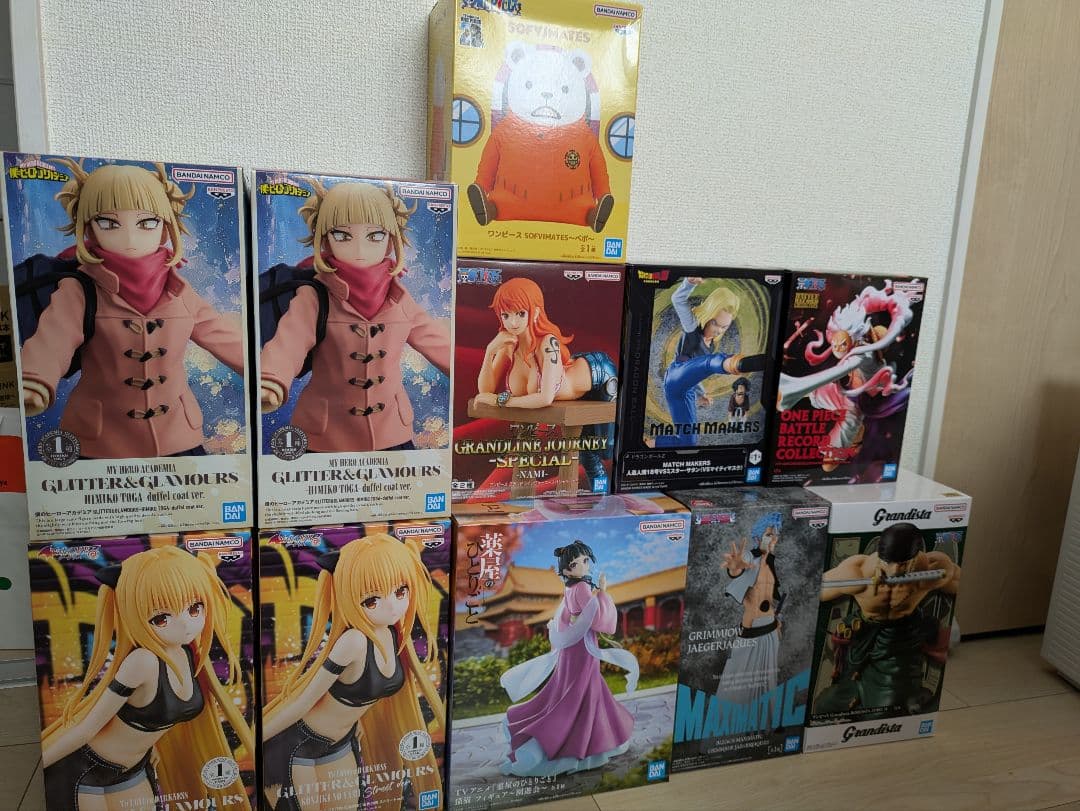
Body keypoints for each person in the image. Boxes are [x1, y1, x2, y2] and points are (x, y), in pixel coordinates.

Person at [18, 159, 245, 459]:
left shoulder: (179, 290)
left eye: (147, 222)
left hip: (178, 435)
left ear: (165, 229)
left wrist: (263, 373)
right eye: (108, 223)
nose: (129, 238)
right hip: (101, 441)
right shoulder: (79, 288)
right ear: (89, 228)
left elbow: (221, 335)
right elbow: (53, 339)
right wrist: (35, 379)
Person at [37, 545, 253, 810]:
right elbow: (87, 729)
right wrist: (35, 766)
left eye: (195, 608)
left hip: (134, 769)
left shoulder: (189, 654)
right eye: (161, 618)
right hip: (85, 767)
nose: (185, 624)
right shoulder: (143, 661)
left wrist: (152, 749)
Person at [260, 180, 450, 453]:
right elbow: (289, 342)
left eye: (375, 236)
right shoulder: (314, 295)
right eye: (342, 236)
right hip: (326, 435)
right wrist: (271, 379)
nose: (360, 249)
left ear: (391, 241)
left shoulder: (399, 297)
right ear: (325, 239)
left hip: (391, 431)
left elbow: (435, 342)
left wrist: (473, 377)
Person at [261, 534, 444, 811]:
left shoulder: (395, 635)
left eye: (400, 592)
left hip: (340, 742)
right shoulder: (354, 641)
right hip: (297, 742)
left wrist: (357, 723)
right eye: (372, 600)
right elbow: (304, 701)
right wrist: (256, 740)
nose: (392, 605)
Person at [498, 540, 638, 777]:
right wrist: (603, 593)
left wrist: (579, 616)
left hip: (572, 648)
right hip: (583, 648)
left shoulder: (570, 588)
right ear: (566, 570)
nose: (584, 566)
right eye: (577, 563)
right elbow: (600, 620)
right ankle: (573, 744)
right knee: (580, 692)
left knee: (573, 690)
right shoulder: (581, 588)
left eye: (585, 561)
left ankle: (587, 741)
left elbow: (568, 617)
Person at [473, 277, 617, 484]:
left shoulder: (547, 343)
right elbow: (484, 390)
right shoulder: (508, 344)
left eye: (520, 313)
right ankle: (598, 498)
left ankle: (602, 499)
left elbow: (545, 397)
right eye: (506, 315)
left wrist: (499, 400)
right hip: (572, 374)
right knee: (587, 456)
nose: (513, 322)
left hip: (599, 374)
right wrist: (489, 352)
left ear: (535, 312)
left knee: (602, 451)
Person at [814, 522, 960, 717]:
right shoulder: (857, 572)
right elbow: (812, 592)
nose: (894, 570)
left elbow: (958, 585)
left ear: (915, 556)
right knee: (824, 705)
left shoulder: (931, 568)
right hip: (864, 636)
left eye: (902, 564)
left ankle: (907, 698)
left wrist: (926, 581)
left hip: (900, 640)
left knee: (882, 713)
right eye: (888, 562)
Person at [655, 277, 765, 448]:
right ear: (708, 314)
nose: (718, 330)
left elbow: (696, 373)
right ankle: (736, 363)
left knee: (688, 441)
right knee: (712, 362)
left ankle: (646, 445)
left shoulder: (711, 345)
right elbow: (677, 300)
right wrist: (689, 283)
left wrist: (701, 394)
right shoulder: (693, 327)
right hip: (676, 376)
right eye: (715, 323)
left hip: (686, 390)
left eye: (724, 327)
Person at [715, 513, 784, 713]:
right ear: (757, 537)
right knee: (736, 688)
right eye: (768, 534)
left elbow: (769, 597)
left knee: (767, 684)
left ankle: (762, 726)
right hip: (751, 632)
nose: (773, 538)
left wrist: (777, 622)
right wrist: (734, 568)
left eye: (775, 534)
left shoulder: (770, 564)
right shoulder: (749, 559)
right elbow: (737, 568)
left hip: (771, 629)